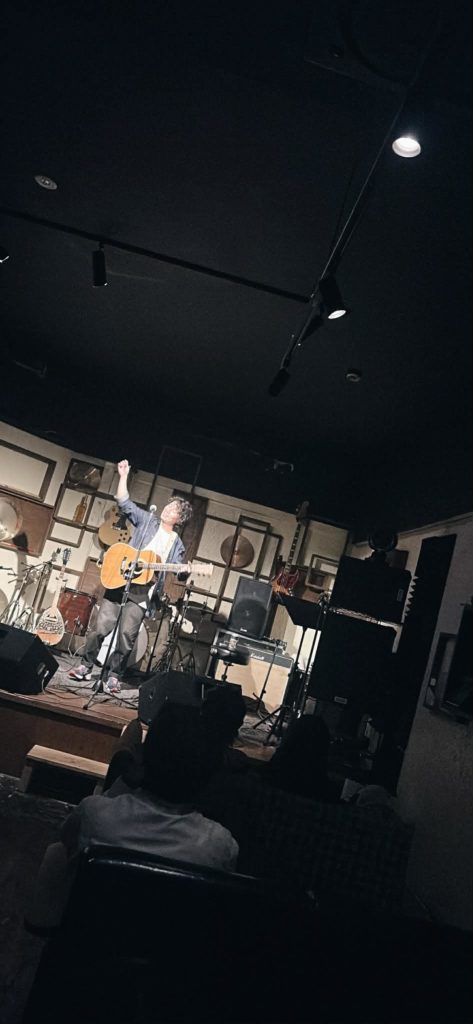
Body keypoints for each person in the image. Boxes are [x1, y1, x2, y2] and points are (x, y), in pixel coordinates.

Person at [69, 459, 192, 694]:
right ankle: (85, 666)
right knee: (100, 628)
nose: (167, 509)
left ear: (180, 519)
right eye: (169, 505)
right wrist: (123, 475)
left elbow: (177, 569)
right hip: (120, 580)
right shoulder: (148, 520)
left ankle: (114, 676)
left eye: (174, 509)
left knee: (127, 636)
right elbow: (124, 502)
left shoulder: (176, 543)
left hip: (143, 592)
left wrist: (184, 571)